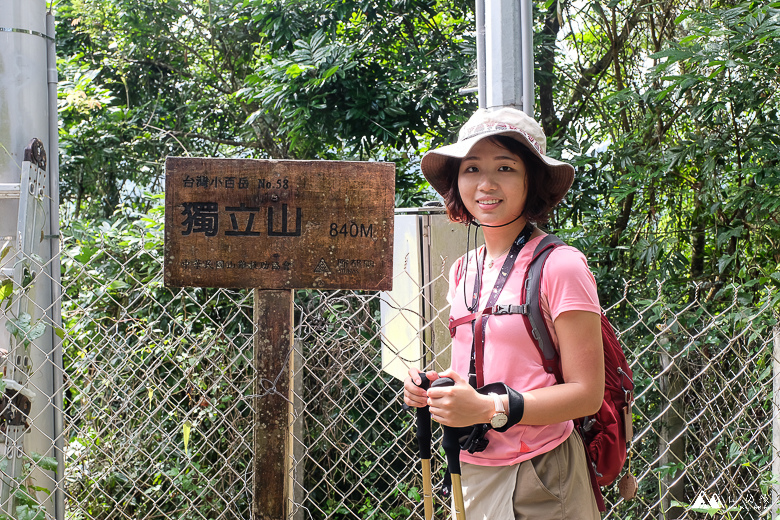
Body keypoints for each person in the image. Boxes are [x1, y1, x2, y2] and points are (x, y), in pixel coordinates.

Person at [404, 106, 605, 520]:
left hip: (542, 474)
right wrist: (437, 387)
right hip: (472, 470)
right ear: (456, 182)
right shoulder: (464, 269)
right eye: (472, 168)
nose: (486, 183)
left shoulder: (561, 266)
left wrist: (490, 409)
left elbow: (588, 393)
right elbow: (491, 367)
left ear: (531, 180)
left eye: (506, 168)